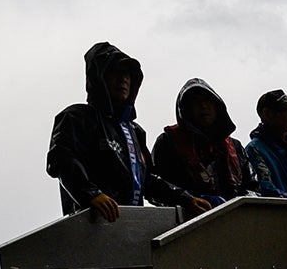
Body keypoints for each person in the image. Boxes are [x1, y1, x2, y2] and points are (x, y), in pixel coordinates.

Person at [45, 41, 207, 220]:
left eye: (128, 74)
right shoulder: (77, 117)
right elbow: (61, 159)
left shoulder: (135, 131)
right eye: (115, 72)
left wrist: (185, 199)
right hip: (89, 225)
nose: (123, 79)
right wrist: (90, 194)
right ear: (99, 77)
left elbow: (147, 181)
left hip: (130, 226)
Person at [150, 78, 258, 210]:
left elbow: (252, 187)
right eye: (196, 101)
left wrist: (243, 202)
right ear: (186, 108)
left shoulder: (235, 147)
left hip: (236, 220)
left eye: (208, 101)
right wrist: (186, 200)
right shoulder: (167, 142)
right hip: (188, 222)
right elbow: (153, 186)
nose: (204, 106)